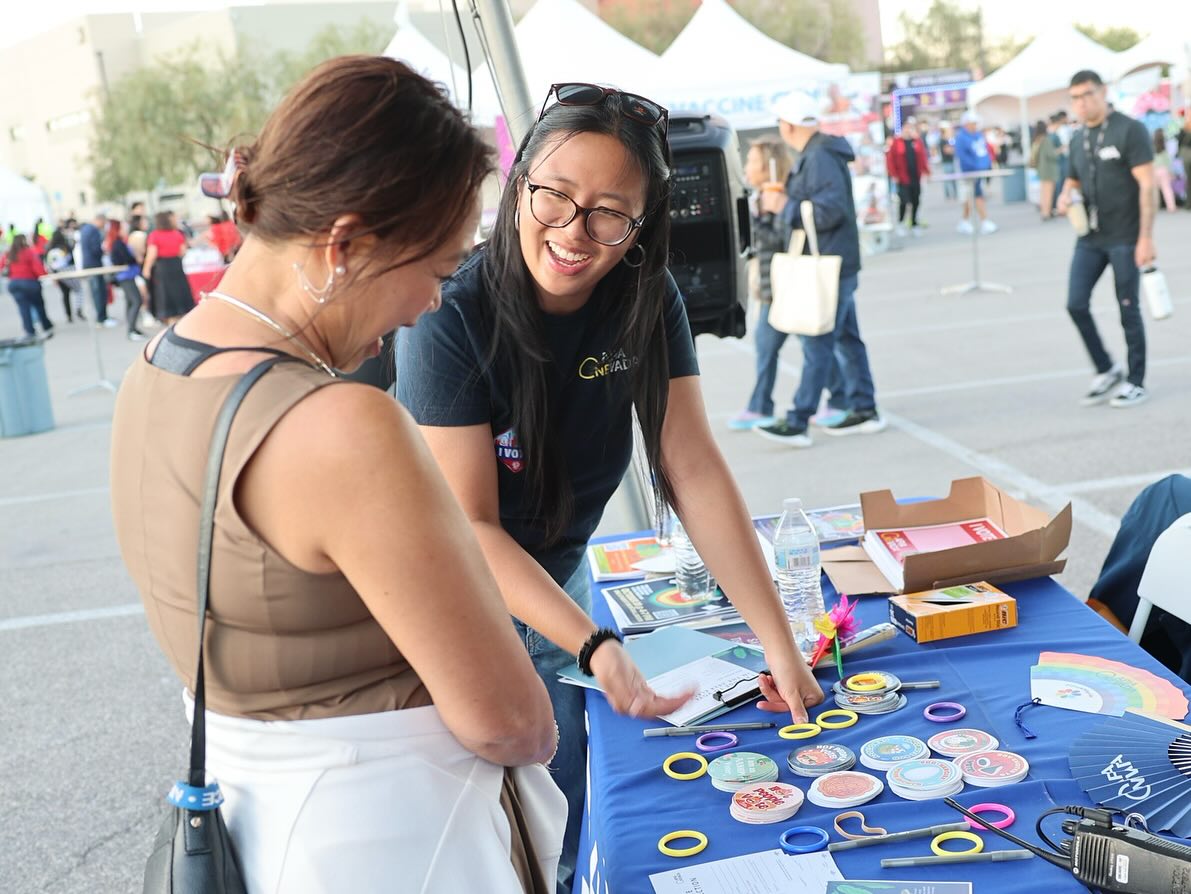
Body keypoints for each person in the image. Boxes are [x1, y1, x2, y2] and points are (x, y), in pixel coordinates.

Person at [109, 56, 564, 893]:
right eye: (434, 270)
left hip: (269, 831)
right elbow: (507, 719)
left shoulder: (153, 370)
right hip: (391, 844)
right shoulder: (339, 425)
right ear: (345, 244)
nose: (430, 305)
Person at [397, 82, 824, 893]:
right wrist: (591, 643)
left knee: (575, 802)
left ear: (641, 225)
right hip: (454, 594)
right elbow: (471, 532)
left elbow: (690, 466)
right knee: (498, 819)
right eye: (553, 196)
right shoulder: (450, 315)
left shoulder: (644, 294)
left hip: (561, 569)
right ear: (519, 182)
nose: (572, 232)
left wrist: (777, 639)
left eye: (607, 213)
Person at [756, 91, 884, 446]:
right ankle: (863, 409)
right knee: (842, 339)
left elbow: (830, 211)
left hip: (827, 262)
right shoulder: (822, 153)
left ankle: (799, 420)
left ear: (790, 125)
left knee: (819, 342)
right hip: (834, 262)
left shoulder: (819, 156)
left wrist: (785, 204)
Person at [1057, 69, 1154, 408]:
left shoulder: (1130, 130)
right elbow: (1072, 180)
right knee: (1075, 303)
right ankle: (1105, 367)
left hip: (1126, 236)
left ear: (1103, 92)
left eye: (1088, 95)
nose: (1082, 103)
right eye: (1075, 98)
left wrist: (1146, 238)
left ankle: (1135, 380)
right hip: (1091, 237)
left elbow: (1147, 185)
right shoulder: (1076, 138)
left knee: (1128, 308)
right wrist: (1065, 195)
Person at [141, 210, 193, 324]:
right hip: (176, 265)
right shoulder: (177, 233)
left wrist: (146, 269)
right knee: (180, 292)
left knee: (165, 294)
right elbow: (182, 251)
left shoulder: (154, 235)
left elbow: (152, 254)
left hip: (163, 267)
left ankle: (170, 320)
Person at [886, 116, 930, 237]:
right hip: (903, 178)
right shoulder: (897, 143)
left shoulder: (917, 142)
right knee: (904, 202)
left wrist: (926, 171)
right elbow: (891, 160)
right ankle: (901, 222)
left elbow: (922, 158)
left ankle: (914, 223)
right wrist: (894, 174)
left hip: (915, 177)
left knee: (916, 201)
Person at [955, 111, 997, 234]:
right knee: (976, 195)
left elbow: (984, 152)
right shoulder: (962, 137)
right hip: (969, 172)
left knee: (972, 196)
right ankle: (983, 220)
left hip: (980, 171)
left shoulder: (978, 135)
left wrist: (986, 165)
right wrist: (975, 167)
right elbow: (963, 156)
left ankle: (965, 221)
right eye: (972, 123)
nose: (974, 126)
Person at [3, 234, 54, 338]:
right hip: (29, 283)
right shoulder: (29, 252)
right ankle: (46, 327)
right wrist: (45, 275)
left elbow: (1, 267)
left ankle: (29, 332)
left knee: (23, 308)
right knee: (39, 306)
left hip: (14, 284)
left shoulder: (8, 254)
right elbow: (38, 268)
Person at [105, 219, 146, 340]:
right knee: (136, 300)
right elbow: (123, 259)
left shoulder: (118, 243)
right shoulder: (118, 244)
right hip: (125, 276)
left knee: (131, 302)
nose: (126, 229)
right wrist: (135, 258)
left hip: (127, 275)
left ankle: (132, 328)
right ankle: (131, 330)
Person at [78, 211, 116, 326]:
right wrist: (103, 252)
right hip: (94, 265)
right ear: (100, 220)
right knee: (99, 292)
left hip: (88, 264)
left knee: (96, 292)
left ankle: (101, 317)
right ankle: (102, 317)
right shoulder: (94, 230)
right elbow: (95, 249)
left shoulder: (85, 229)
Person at [1032, 118, 1061, 221]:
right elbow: (1051, 155)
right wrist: (1060, 150)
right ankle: (1046, 213)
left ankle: (1044, 211)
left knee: (1043, 192)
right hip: (1048, 169)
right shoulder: (1046, 139)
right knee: (1048, 192)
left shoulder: (1037, 139)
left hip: (1041, 169)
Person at [1152, 129, 1176, 213]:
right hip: (1163, 170)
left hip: (1153, 171)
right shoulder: (1164, 149)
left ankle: (1155, 206)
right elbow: (1168, 162)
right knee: (1167, 189)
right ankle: (1171, 207)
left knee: (1154, 190)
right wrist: (1171, 172)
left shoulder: (1151, 149)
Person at [939, 121, 958, 200]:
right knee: (948, 179)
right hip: (947, 162)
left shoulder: (948, 139)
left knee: (951, 179)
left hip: (950, 161)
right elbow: (947, 150)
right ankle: (950, 195)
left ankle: (952, 194)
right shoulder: (943, 140)